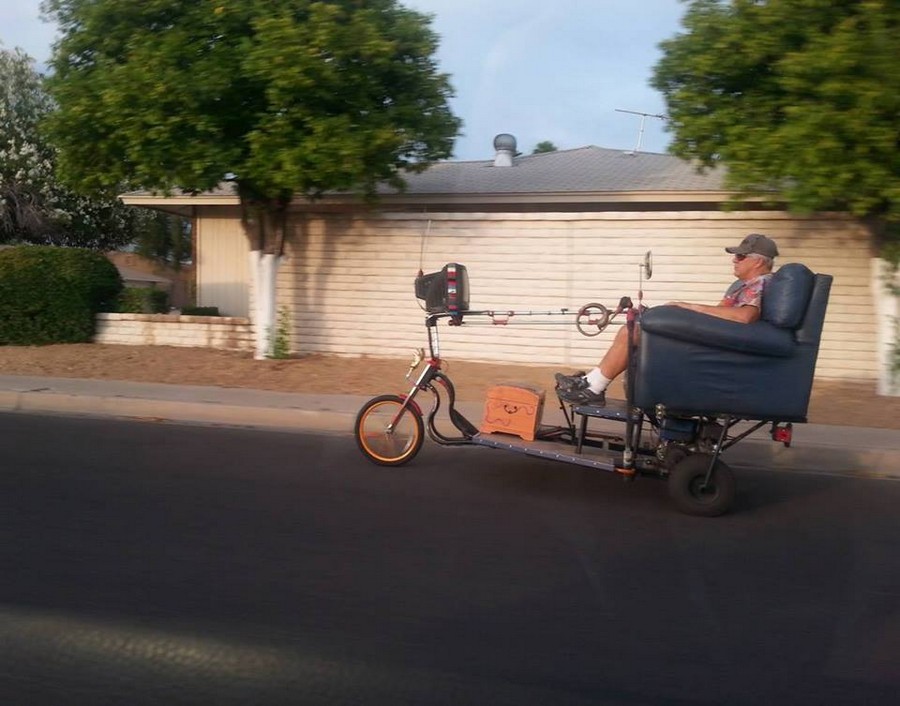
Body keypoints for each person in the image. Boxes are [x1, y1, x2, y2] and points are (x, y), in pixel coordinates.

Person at [555, 233, 779, 406]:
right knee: (639, 326)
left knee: (632, 332)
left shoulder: (760, 283)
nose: (734, 260)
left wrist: (688, 307)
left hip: (713, 351)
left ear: (758, 262)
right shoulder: (744, 286)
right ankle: (590, 383)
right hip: (713, 344)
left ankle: (593, 388)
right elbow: (719, 318)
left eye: (740, 256)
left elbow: (745, 317)